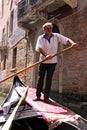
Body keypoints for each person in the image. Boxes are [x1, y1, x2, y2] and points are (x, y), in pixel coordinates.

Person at [34, 22, 77, 103]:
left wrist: (72, 43)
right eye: (47, 28)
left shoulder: (56, 36)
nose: (49, 30)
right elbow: (39, 48)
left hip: (53, 62)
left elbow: (66, 39)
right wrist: (46, 55)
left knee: (49, 80)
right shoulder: (40, 38)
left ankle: (46, 97)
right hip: (43, 61)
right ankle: (38, 96)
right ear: (44, 30)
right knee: (40, 79)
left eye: (50, 28)